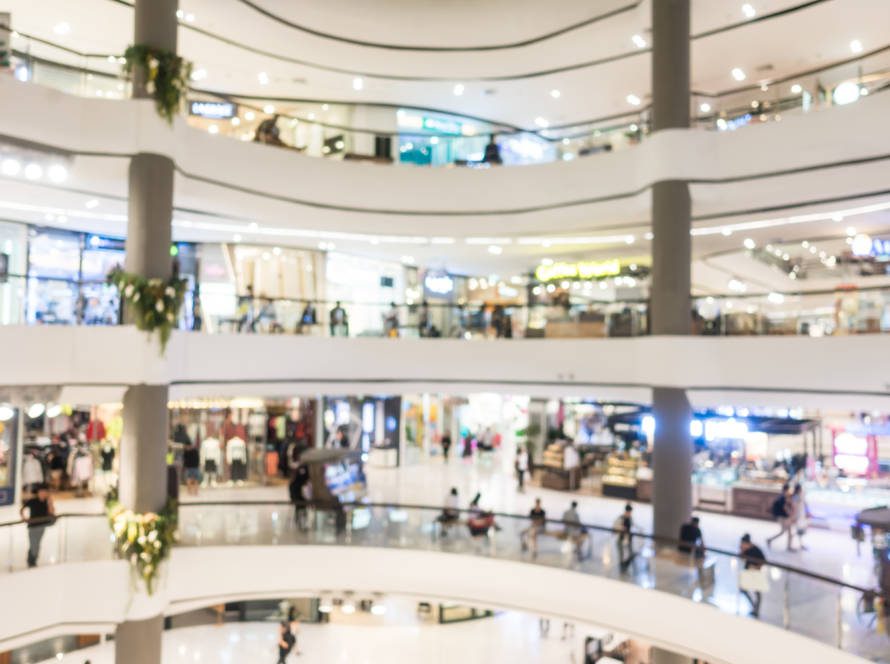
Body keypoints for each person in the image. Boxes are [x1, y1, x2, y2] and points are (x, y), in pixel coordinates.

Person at [21, 484, 55, 567]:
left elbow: (52, 513)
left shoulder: (46, 502)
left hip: (41, 526)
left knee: (37, 544)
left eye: (45, 492)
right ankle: (31, 561)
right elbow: (22, 509)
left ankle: (32, 560)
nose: (43, 493)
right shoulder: (33, 501)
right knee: (34, 544)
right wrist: (24, 518)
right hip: (33, 526)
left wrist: (50, 501)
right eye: (42, 491)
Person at [739, 533, 766, 617]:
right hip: (747, 572)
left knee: (757, 592)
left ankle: (756, 610)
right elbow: (741, 558)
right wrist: (742, 550)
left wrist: (756, 567)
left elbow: (763, 561)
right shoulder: (745, 549)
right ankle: (754, 606)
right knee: (743, 590)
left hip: (755, 573)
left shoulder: (756, 549)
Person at [767, 484, 796, 551]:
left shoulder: (783, 496)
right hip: (783, 517)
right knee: (783, 531)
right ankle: (770, 539)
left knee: (789, 532)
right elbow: (784, 507)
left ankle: (789, 546)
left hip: (784, 517)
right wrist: (790, 514)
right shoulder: (782, 497)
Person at [289, 462, 311, 530]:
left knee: (302, 509)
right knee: (300, 508)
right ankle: (300, 522)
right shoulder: (294, 482)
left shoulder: (304, 469)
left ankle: (302, 523)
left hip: (302, 495)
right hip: (299, 495)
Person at [615, 503, 634, 570]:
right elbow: (615, 527)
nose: (630, 513)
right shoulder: (621, 518)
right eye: (629, 512)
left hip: (628, 539)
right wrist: (621, 528)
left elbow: (632, 526)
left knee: (629, 554)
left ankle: (625, 566)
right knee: (622, 555)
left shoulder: (630, 519)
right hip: (621, 539)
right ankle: (622, 567)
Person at [791, 484, 809, 551]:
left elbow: (804, 503)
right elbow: (794, 507)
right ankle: (794, 541)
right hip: (798, 515)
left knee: (801, 529)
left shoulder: (800, 495)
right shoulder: (796, 497)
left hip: (801, 515)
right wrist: (794, 516)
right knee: (799, 529)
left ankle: (801, 544)